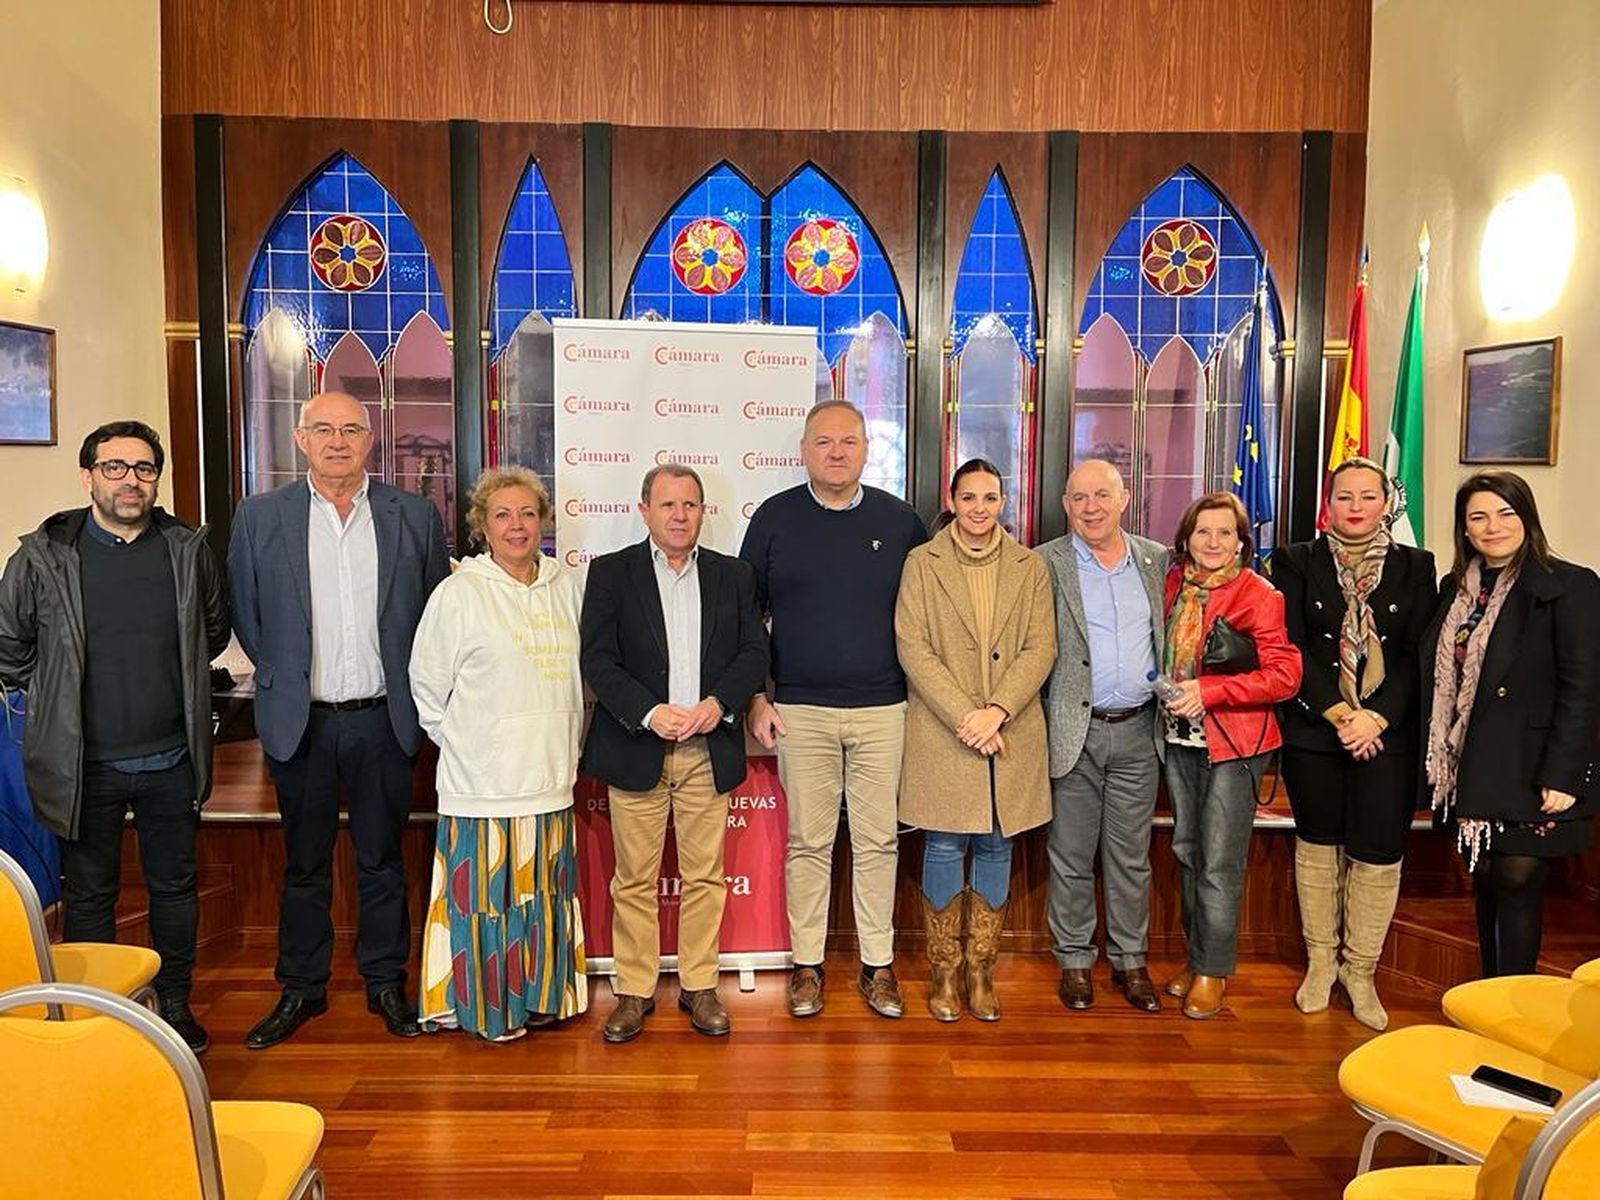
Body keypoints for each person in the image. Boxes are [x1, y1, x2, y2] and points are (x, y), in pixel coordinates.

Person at [228, 391, 449, 1048]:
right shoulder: (260, 517)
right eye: (322, 429)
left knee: (384, 860)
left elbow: (435, 613)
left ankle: (385, 982)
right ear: (301, 439)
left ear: (370, 438)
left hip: (385, 720)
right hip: (303, 721)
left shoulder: (412, 516)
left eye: (350, 429)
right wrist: (287, 678)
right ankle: (302, 987)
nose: (336, 440)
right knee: (304, 863)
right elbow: (248, 612)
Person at [0, 420, 229, 1053]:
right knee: (91, 892)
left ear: (157, 478)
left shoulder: (186, 549)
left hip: (171, 757)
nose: (132, 481)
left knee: (174, 887)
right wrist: (52, 703)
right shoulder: (43, 557)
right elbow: (8, 648)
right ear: (88, 476)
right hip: (83, 764)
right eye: (116, 468)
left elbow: (212, 634)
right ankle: (102, 1010)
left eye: (145, 469)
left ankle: (176, 1002)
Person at [740, 400, 928, 1019]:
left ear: (867, 449)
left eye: (849, 442)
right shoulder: (773, 519)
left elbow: (927, 618)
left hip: (884, 708)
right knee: (808, 843)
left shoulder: (901, 522)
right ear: (803, 450)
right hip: (800, 709)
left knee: (877, 842)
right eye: (824, 443)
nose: (837, 453)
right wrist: (757, 694)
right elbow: (745, 620)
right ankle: (807, 968)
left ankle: (877, 967)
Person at [580, 464, 769, 1043]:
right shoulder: (611, 574)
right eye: (667, 505)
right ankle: (634, 993)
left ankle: (699, 986)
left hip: (706, 747)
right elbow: (598, 661)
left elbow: (753, 651)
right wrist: (648, 712)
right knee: (634, 880)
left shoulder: (734, 575)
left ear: (703, 511)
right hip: (639, 745)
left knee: (705, 877)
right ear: (644, 511)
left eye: (690, 504)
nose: (679, 515)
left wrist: (720, 703)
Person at [408, 467, 588, 1040]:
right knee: (487, 902)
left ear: (545, 522)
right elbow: (427, 690)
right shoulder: (458, 593)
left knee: (544, 896)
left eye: (528, 514)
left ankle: (541, 999)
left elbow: (582, 681)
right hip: (482, 785)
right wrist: (474, 745)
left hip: (552, 778)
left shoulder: (568, 587)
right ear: (482, 525)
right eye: (503, 515)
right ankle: (488, 1010)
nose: (517, 526)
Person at [1272, 457, 1436, 1030]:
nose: (1357, 507)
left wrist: (1377, 719)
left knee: (1376, 853)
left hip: (1385, 736)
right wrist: (1343, 714)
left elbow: (1420, 656)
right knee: (1318, 846)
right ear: (1329, 502)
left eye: (1369, 496)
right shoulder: (1295, 560)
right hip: (1318, 730)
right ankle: (1321, 964)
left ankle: (1359, 970)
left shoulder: (1418, 566)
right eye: (1345, 497)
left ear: (1386, 503)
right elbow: (1289, 646)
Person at [1420, 471, 1599, 979]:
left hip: (1533, 766)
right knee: (1490, 880)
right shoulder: (1455, 590)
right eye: (1478, 516)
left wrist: (1564, 774)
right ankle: (1487, 995)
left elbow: (1582, 688)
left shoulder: (1570, 584)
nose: (1492, 526)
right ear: (1465, 529)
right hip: (1474, 763)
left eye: (1506, 513)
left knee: (1519, 880)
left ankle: (1511, 1005)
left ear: (1527, 518)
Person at [894, 459, 1055, 1022]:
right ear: (953, 500)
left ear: (1004, 502)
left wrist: (997, 711)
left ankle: (982, 968)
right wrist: (967, 715)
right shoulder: (922, 563)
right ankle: (945, 969)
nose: (979, 509)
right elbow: (912, 647)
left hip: (1008, 731)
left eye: (990, 498)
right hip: (946, 731)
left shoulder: (1030, 567)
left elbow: (1042, 648)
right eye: (969, 498)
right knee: (942, 845)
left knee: (995, 844)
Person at [1158, 493, 1301, 1019]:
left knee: (1219, 862)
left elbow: (1286, 677)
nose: (1213, 543)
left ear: (1241, 540)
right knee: (1188, 853)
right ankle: (1198, 957)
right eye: (1202, 532)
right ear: (1186, 540)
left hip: (1234, 745)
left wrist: (1211, 692)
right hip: (1178, 739)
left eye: (1225, 533)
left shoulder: (1259, 594)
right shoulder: (1174, 585)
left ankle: (1213, 972)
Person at [1037, 459, 1169, 1014]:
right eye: (1079, 498)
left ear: (1124, 498)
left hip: (1140, 730)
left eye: (1101, 496)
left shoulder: (1156, 560)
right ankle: (1073, 961)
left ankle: (1130, 960)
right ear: (1066, 504)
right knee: (1069, 855)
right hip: (1073, 730)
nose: (1090, 507)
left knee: (1130, 857)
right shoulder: (1044, 563)